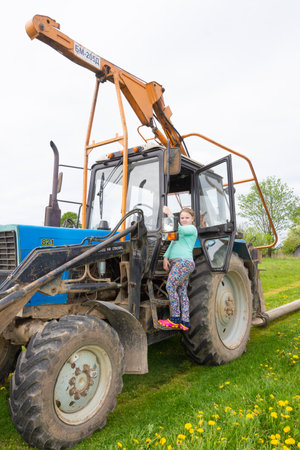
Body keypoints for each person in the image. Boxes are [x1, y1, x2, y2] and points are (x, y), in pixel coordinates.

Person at [159, 206, 197, 331]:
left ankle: (175, 318)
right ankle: (185, 321)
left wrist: (170, 213)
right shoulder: (180, 231)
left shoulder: (191, 229)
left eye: (187, 217)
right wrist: (165, 257)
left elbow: (179, 228)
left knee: (170, 286)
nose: (184, 219)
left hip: (183, 262)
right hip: (178, 263)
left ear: (192, 219)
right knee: (181, 291)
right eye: (182, 218)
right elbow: (172, 244)